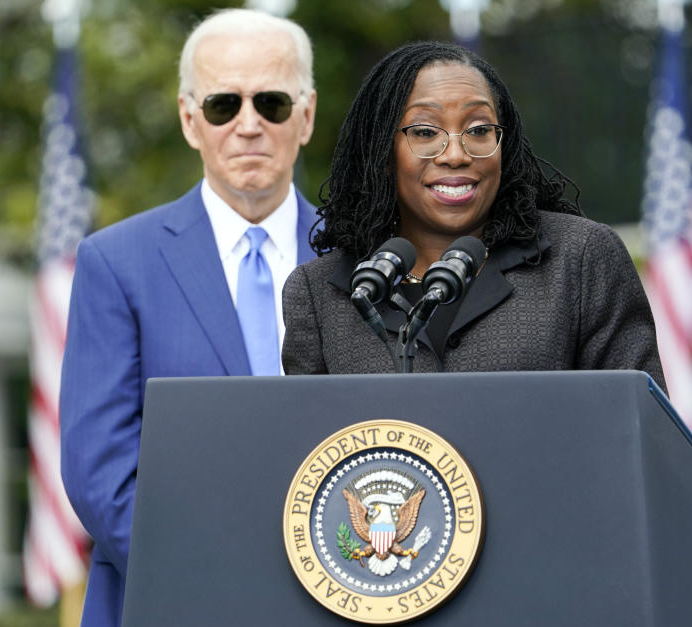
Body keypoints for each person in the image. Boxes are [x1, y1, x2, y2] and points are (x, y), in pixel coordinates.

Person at [60, 9, 318, 627]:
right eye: (224, 104)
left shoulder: (367, 258)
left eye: (273, 102)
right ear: (189, 119)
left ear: (305, 116)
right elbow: (100, 473)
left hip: (341, 604)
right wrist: (227, 575)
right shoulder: (116, 264)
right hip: (172, 607)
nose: (248, 125)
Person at [282, 41, 666, 390]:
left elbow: (640, 434)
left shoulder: (579, 261)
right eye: (425, 131)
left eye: (479, 129)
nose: (455, 154)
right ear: (382, 151)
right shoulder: (320, 295)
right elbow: (312, 459)